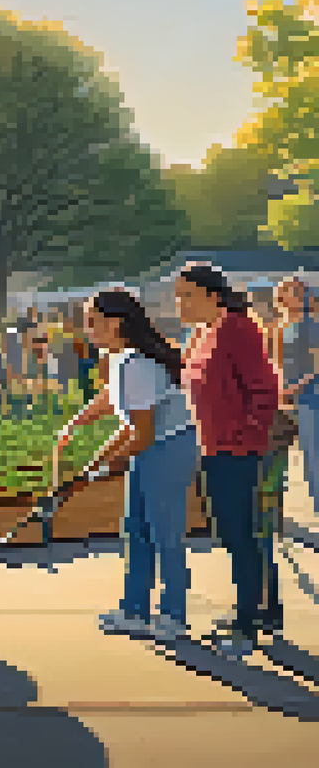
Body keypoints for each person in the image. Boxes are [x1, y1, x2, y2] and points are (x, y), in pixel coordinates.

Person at [58, 290, 198, 641]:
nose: (87, 329)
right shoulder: (122, 359)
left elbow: (144, 433)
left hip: (169, 447)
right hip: (152, 444)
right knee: (135, 529)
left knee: (164, 533)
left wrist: (104, 470)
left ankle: (173, 616)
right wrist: (93, 450)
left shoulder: (139, 364)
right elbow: (124, 418)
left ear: (116, 322)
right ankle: (134, 611)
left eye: (92, 322)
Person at [175, 263, 282, 655]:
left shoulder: (237, 328)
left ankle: (246, 627)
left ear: (211, 294)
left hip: (236, 452)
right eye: (178, 295)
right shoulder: (204, 333)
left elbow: (265, 389)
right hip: (215, 447)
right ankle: (262, 610)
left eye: (186, 295)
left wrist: (244, 437)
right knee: (237, 534)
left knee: (240, 536)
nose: (179, 303)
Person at [273, 277, 319, 513]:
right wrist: (281, 389)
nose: (296, 295)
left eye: (299, 290)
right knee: (305, 453)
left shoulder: (312, 324)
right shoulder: (281, 326)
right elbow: (278, 362)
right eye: (290, 290)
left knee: (314, 450)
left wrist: (297, 386)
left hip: (312, 393)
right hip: (290, 396)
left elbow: (316, 363)